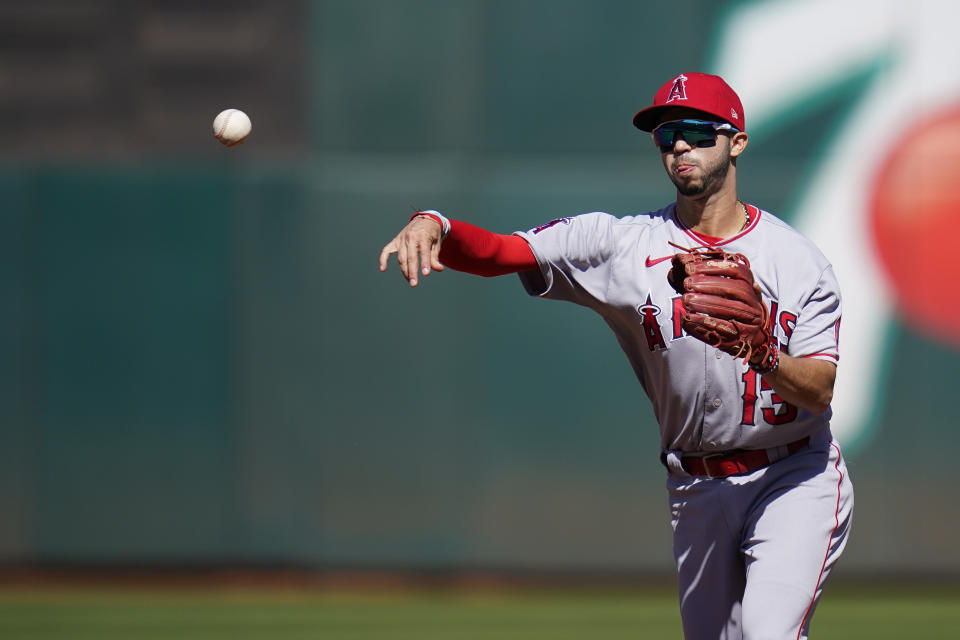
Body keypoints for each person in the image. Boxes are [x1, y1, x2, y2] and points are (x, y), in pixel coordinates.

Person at [378, 72, 853, 640]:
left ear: (737, 141)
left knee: (770, 633)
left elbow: (820, 390)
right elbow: (505, 251)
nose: (679, 145)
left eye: (699, 132)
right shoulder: (622, 245)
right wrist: (438, 223)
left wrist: (763, 354)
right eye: (666, 134)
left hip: (792, 474)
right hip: (695, 485)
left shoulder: (797, 261)